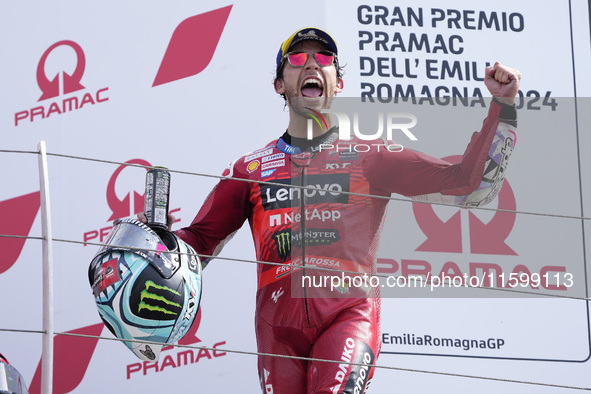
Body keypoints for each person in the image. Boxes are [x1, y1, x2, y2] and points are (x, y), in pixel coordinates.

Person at [141, 27, 520, 393]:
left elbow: (468, 184)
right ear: (279, 85)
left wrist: (501, 106)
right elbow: (200, 242)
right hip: (276, 330)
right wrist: (158, 243)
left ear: (338, 83)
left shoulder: (371, 156)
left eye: (323, 58)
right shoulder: (250, 169)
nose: (311, 64)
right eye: (296, 58)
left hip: (348, 313)